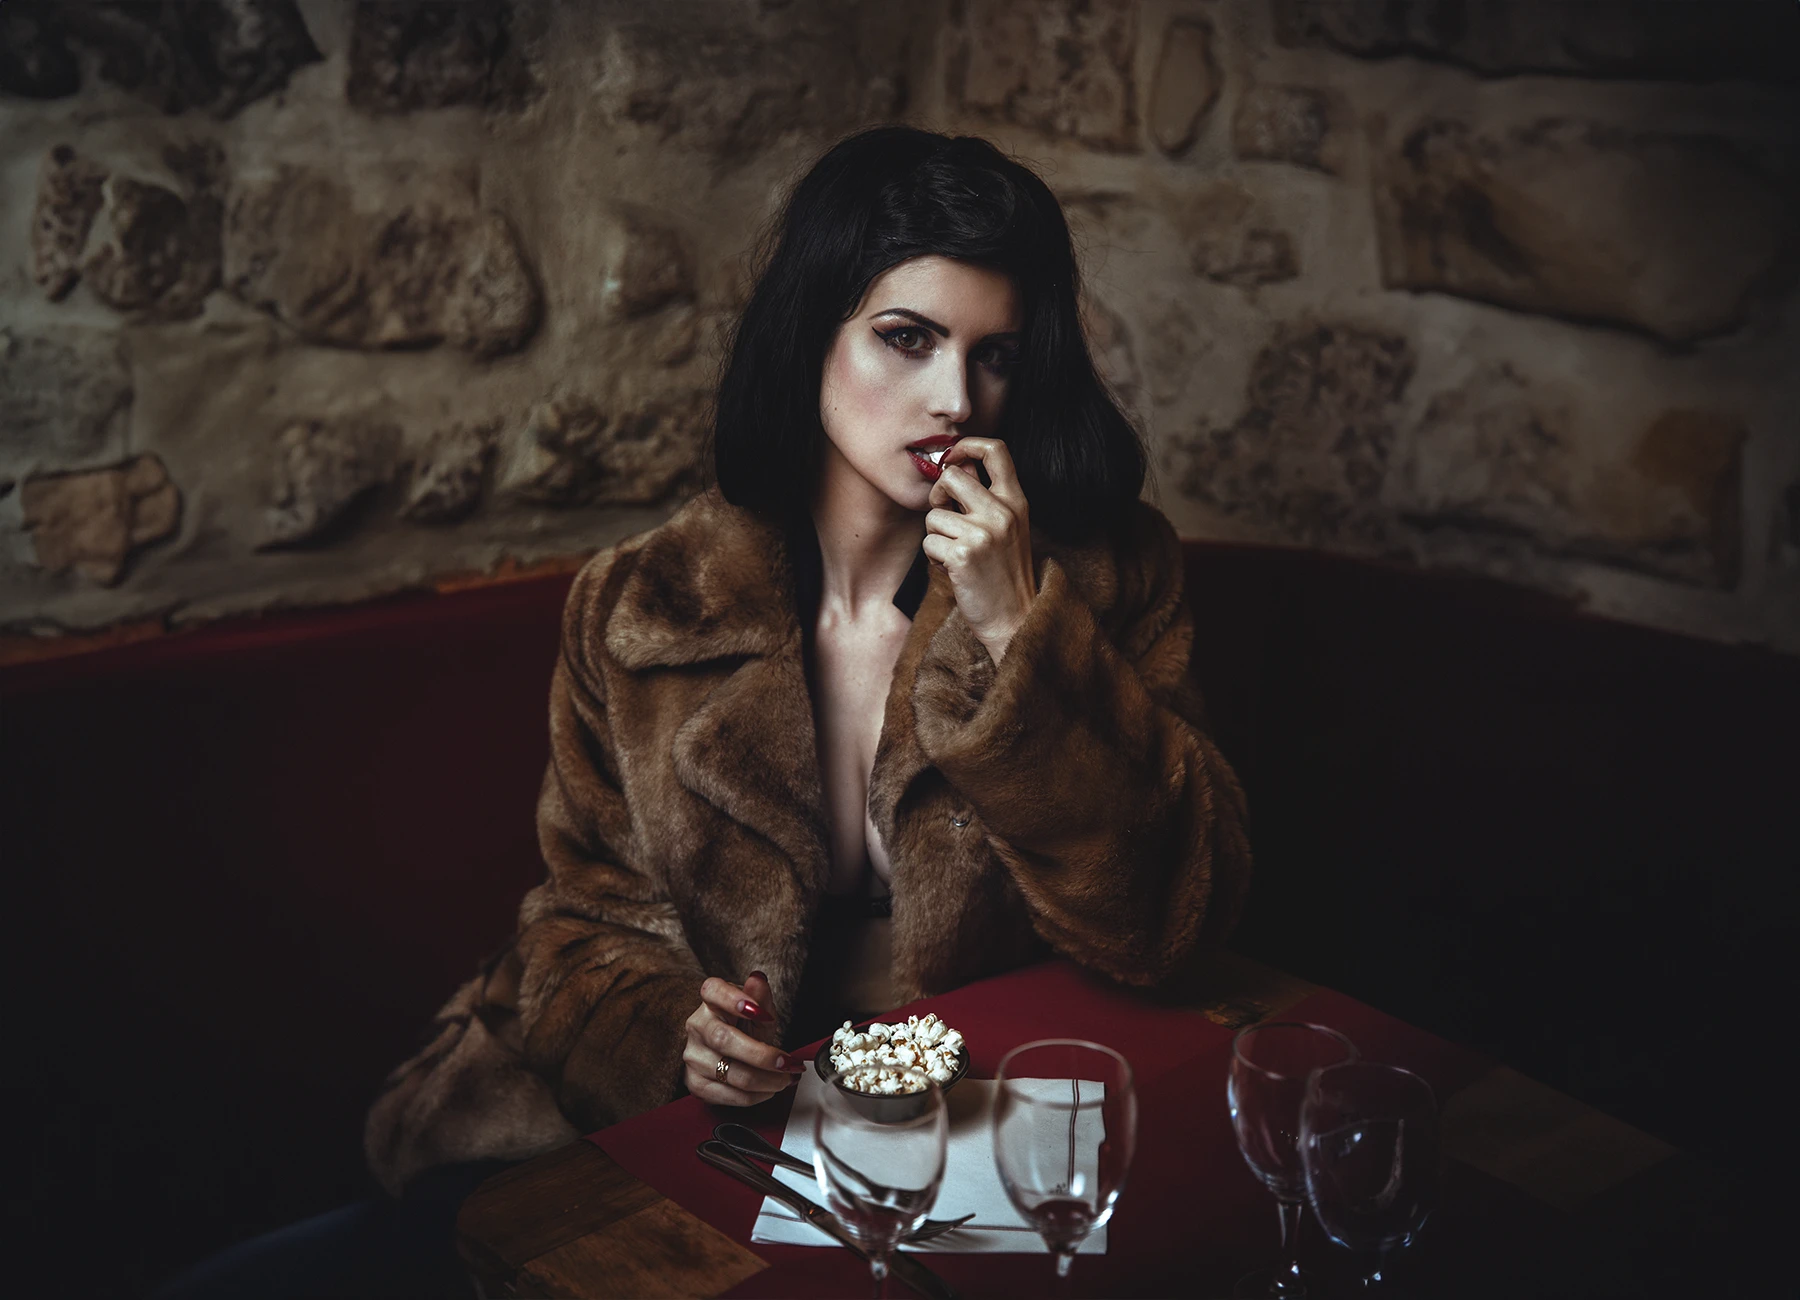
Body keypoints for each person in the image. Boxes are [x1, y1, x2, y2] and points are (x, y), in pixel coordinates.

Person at [158, 125, 1251, 1297]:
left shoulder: (1100, 577)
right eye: (906, 337)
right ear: (812, 331)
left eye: (996, 356)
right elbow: (580, 932)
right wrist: (676, 1041)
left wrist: (1018, 630)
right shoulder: (644, 607)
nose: (955, 398)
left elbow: (1170, 920)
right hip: (664, 1132)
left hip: (945, 1147)